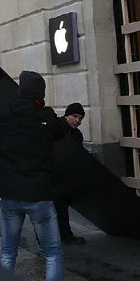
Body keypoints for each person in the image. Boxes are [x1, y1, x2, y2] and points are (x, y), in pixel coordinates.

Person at [0, 66, 67, 281]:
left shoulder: (6, 113)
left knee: (8, 252)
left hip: (10, 196)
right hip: (39, 197)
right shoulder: (46, 118)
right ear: (41, 94)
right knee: (53, 254)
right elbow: (61, 131)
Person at [54, 102, 86, 244]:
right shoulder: (55, 126)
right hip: (51, 173)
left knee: (61, 206)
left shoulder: (77, 135)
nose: (77, 121)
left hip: (64, 176)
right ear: (67, 115)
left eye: (80, 118)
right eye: (74, 116)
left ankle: (63, 234)